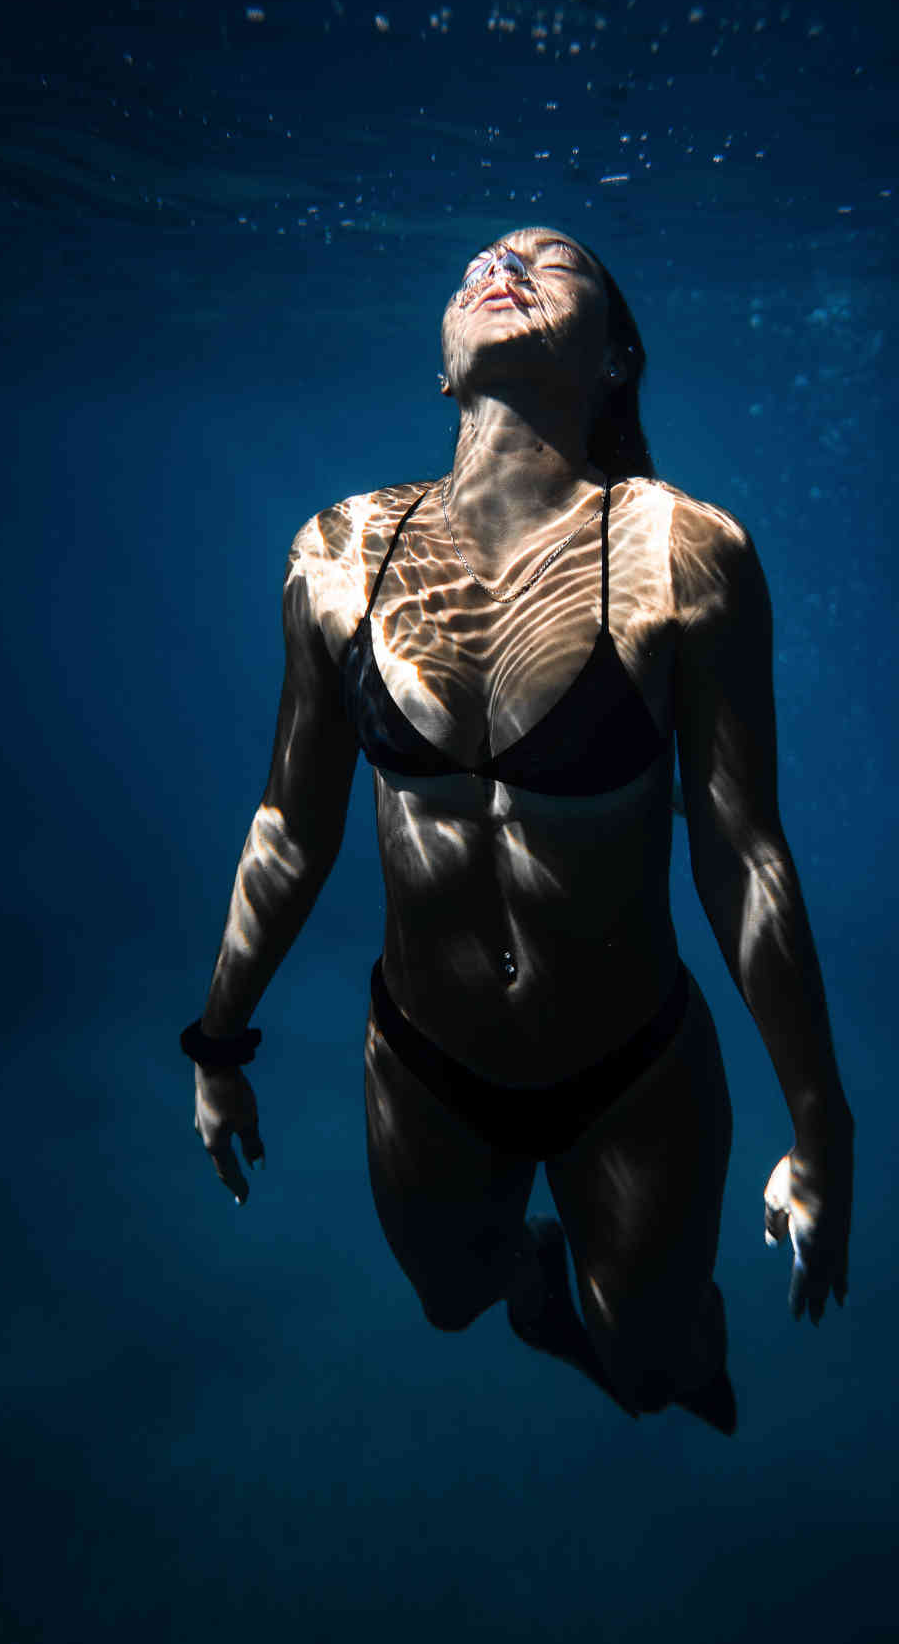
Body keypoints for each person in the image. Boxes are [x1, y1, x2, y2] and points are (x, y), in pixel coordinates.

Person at [181, 227, 854, 1435]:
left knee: (652, 1372)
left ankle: (645, 1336)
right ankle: (542, 1284)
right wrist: (216, 1045)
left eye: (559, 258)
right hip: (426, 1067)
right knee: (449, 1299)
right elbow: (289, 824)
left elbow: (743, 854)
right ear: (445, 364)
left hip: (631, 1074)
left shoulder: (683, 552)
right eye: (482, 257)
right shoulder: (338, 555)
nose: (507, 259)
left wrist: (822, 1128)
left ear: (615, 358)